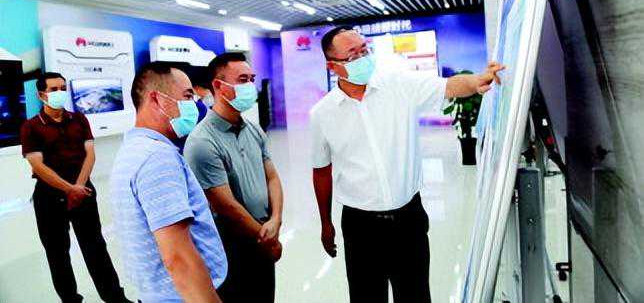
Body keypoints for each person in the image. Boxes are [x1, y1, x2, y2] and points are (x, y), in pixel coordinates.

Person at [310, 27, 505, 303]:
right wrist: (325, 223)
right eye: (353, 55)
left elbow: (448, 86)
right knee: (366, 297)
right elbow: (321, 171)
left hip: (408, 219)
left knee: (415, 295)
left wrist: (475, 82)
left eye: (365, 49)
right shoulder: (322, 114)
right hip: (360, 226)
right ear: (333, 66)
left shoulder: (397, 86)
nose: (364, 58)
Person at [110, 62, 227, 302]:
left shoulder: (133, 149)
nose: (194, 105)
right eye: (187, 96)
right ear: (157, 99)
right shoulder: (157, 157)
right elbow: (178, 258)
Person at [20, 72, 130, 303]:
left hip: (83, 190)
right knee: (57, 253)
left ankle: (115, 298)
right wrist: (69, 189)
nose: (60, 93)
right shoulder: (31, 127)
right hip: (49, 196)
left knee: (95, 247)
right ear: (41, 95)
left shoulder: (79, 119)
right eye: (54, 90)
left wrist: (78, 186)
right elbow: (37, 165)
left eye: (63, 88)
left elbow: (90, 153)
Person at [184, 52, 284, 303]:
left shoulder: (253, 129)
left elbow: (272, 177)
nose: (250, 86)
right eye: (242, 80)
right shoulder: (202, 141)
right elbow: (225, 205)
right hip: (232, 244)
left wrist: (276, 220)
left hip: (264, 233)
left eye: (252, 79)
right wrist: (267, 239)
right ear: (218, 86)